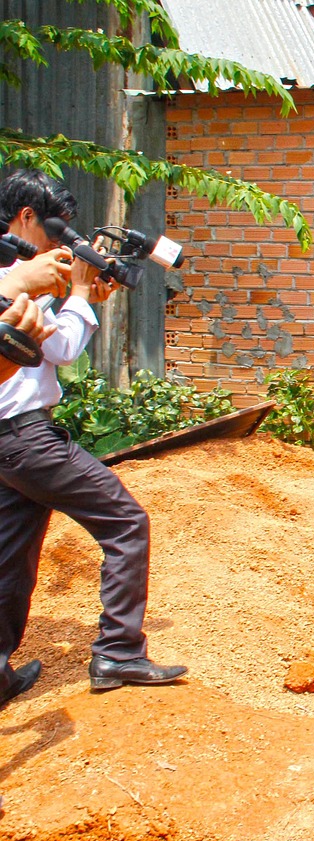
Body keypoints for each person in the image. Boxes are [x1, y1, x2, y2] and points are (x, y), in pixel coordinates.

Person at [0, 169, 186, 708]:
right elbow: (60, 352)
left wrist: (82, 297)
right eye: (53, 226)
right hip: (26, 437)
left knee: (12, 556)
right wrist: (81, 293)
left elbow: (48, 342)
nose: (61, 240)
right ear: (26, 216)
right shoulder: (12, 270)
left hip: (10, 442)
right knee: (128, 521)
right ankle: (119, 651)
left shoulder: (21, 272)